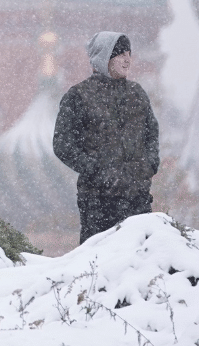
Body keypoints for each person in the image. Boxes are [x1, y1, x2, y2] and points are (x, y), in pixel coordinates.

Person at [52, 31, 160, 243]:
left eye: (129, 53)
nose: (127, 59)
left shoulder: (136, 94)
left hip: (137, 197)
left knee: (138, 262)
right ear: (103, 57)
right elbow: (62, 144)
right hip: (98, 200)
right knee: (98, 262)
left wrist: (148, 166)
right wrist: (95, 170)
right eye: (119, 54)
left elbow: (151, 135)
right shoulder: (78, 96)